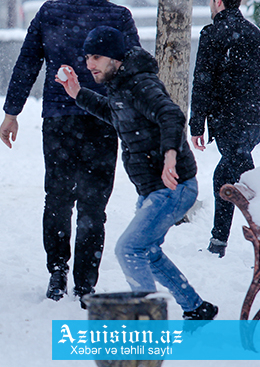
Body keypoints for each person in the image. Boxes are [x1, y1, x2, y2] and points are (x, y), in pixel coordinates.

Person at [0, 0, 140, 302]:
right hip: (103, 120)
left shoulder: (49, 12)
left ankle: (57, 270)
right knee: (94, 203)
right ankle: (86, 281)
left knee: (58, 197)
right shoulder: (119, 17)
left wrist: (11, 111)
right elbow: (136, 70)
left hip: (59, 120)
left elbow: (27, 62)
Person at [56, 26, 218, 319]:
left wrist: (170, 155)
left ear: (115, 57)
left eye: (96, 57)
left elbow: (171, 113)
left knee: (129, 249)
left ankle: (145, 320)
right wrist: (78, 93)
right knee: (148, 251)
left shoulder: (140, 83)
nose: (89, 64)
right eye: (87, 57)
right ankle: (195, 306)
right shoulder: (121, 84)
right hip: (153, 188)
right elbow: (117, 115)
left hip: (171, 186)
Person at [189, 0, 260, 258]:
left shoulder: (214, 34)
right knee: (231, 174)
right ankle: (220, 241)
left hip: (229, 119)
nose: (210, 3)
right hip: (256, 120)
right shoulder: (257, 34)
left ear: (218, 1)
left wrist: (196, 123)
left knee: (235, 178)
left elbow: (203, 82)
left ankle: (248, 237)